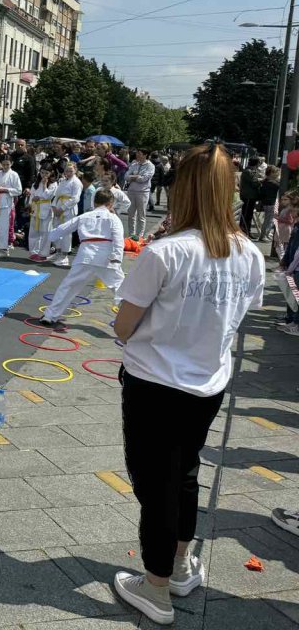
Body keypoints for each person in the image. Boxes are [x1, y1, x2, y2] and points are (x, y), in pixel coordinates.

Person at [110, 144, 265, 625]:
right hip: (208, 382)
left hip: (155, 382)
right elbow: (241, 313)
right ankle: (179, 563)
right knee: (185, 474)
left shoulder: (166, 252)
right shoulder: (249, 253)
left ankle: (156, 587)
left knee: (155, 483)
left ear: (183, 190)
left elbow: (124, 325)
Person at [37, 190, 124, 330]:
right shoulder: (113, 218)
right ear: (111, 203)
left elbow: (61, 229)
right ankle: (130, 320)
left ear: (94, 202)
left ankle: (49, 316)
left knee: (68, 286)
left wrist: (52, 235)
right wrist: (117, 257)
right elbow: (118, 239)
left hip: (85, 255)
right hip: (106, 256)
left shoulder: (84, 216)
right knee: (120, 288)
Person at [49, 163, 83, 266]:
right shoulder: (63, 181)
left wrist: (62, 208)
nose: (68, 173)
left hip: (68, 210)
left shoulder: (76, 182)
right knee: (57, 229)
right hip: (58, 207)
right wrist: (54, 206)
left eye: (71, 171)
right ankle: (58, 252)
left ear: (75, 171)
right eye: (67, 171)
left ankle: (64, 256)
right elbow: (57, 195)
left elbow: (75, 198)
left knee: (66, 232)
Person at [0, 155, 22, 257]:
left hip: (6, 204)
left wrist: (5, 189)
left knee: (3, 227)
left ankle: (4, 249)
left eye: (7, 164)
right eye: (3, 164)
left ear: (11, 163)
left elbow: (19, 190)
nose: (5, 166)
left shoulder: (14, 174)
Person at [27, 167, 57, 262]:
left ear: (51, 173)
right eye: (42, 172)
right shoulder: (35, 184)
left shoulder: (53, 184)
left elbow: (48, 196)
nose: (44, 175)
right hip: (35, 209)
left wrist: (44, 185)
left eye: (46, 173)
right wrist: (32, 201)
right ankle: (33, 252)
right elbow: (32, 195)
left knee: (45, 233)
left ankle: (43, 254)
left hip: (46, 210)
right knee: (33, 232)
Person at [125, 149, 155, 239]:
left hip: (143, 192)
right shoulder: (134, 164)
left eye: (139, 153)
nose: (137, 155)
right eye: (137, 153)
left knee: (141, 215)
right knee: (131, 214)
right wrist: (136, 177)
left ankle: (139, 236)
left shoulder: (150, 166)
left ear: (145, 155)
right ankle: (131, 235)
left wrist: (133, 177)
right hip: (131, 191)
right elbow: (126, 176)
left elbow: (144, 179)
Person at [257, 166, 281, 243]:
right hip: (271, 203)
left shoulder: (265, 181)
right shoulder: (273, 183)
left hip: (267, 202)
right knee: (268, 220)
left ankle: (265, 234)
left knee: (268, 220)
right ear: (271, 173)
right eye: (276, 172)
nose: (278, 174)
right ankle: (263, 236)